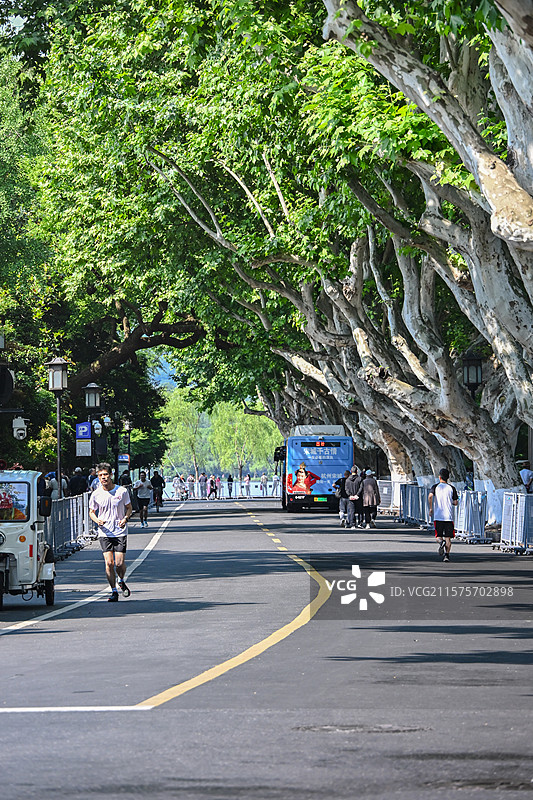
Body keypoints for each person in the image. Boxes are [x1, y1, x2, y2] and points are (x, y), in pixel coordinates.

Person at [88, 462, 132, 602]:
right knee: (109, 563)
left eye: (106, 474)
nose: (103, 478)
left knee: (119, 563)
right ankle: (113, 591)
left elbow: (129, 508)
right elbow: (91, 512)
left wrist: (125, 518)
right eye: (101, 475)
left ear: (111, 475)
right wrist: (97, 520)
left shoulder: (122, 491)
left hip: (119, 531)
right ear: (98, 477)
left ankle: (121, 579)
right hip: (105, 532)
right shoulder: (96, 494)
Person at [428, 468, 459, 563]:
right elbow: (455, 502)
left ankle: (441, 543)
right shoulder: (451, 488)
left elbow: (430, 496)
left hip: (438, 516)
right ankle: (447, 555)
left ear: (439, 477)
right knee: (448, 538)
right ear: (448, 478)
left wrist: (431, 508)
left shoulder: (435, 487)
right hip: (448, 516)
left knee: (438, 536)